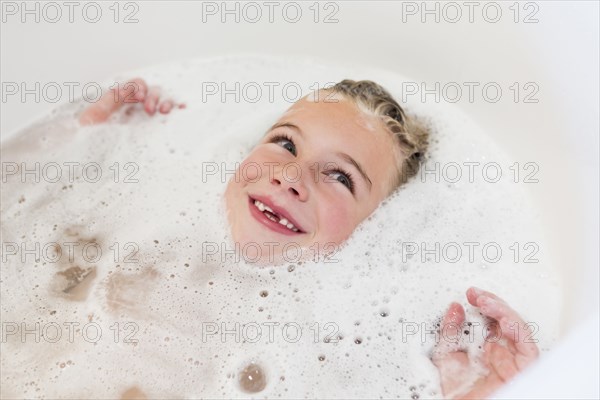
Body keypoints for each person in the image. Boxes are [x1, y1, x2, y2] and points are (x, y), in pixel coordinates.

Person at [79, 78, 539, 399]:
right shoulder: (131, 216)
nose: (291, 176)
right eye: (285, 144)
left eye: (340, 176)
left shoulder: (343, 353)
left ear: (378, 227)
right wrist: (93, 135)